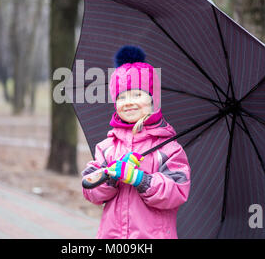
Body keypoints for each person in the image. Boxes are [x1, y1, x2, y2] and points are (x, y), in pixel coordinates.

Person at [81, 45, 191, 239]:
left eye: (137, 94)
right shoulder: (107, 147)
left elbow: (176, 191)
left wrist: (140, 179)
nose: (128, 102)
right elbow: (91, 191)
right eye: (121, 97)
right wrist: (111, 175)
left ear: (152, 99)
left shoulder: (168, 149)